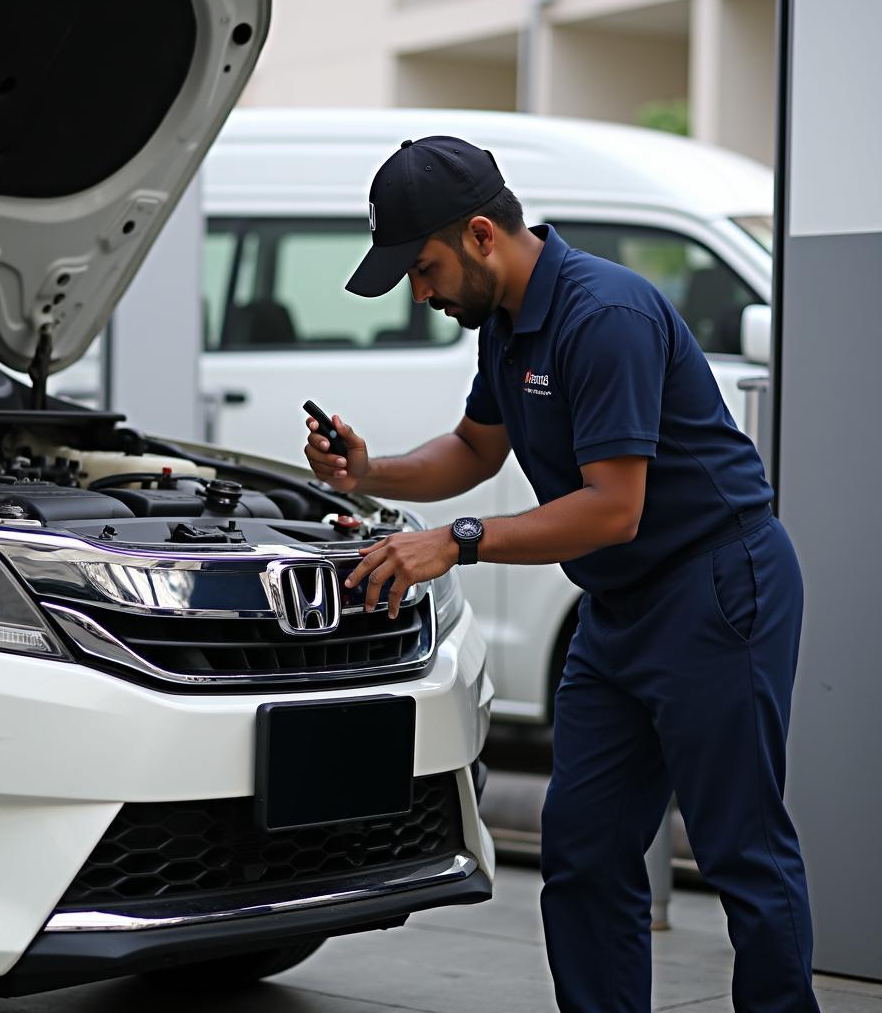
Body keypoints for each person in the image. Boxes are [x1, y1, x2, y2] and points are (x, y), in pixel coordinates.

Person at [302, 136, 819, 1013]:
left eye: (423, 270)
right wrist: (370, 472)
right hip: (620, 605)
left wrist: (457, 542)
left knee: (741, 851)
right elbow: (474, 447)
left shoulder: (601, 315)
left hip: (717, 590)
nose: (421, 295)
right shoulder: (504, 323)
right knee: (584, 851)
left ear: (478, 235)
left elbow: (613, 505)